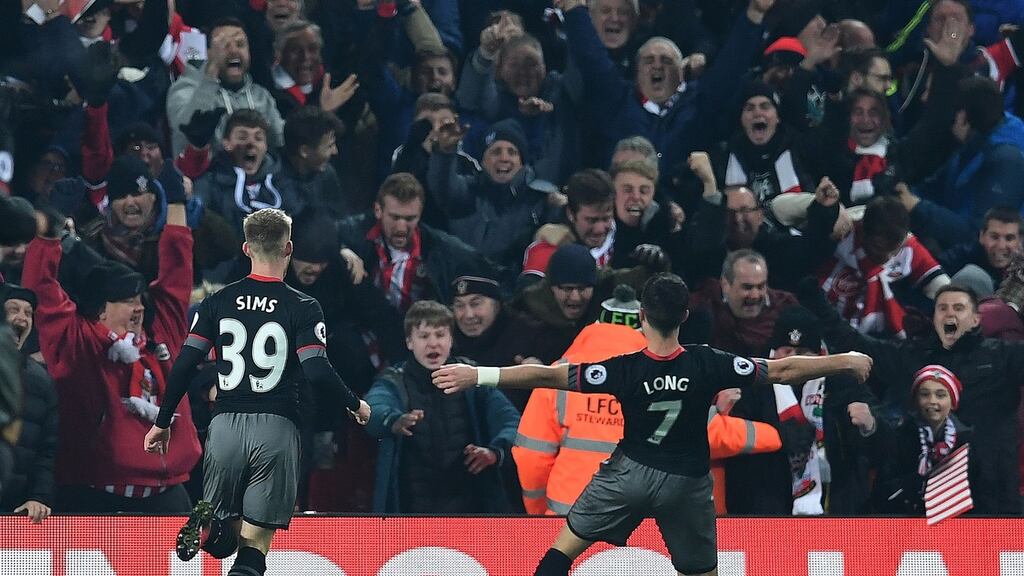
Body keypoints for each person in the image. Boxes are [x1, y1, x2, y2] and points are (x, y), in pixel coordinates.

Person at [434, 273, 872, 576]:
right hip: (687, 485)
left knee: (562, 550)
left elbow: (547, 376)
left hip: (628, 475)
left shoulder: (621, 369)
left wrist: (478, 375)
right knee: (702, 573)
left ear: (642, 316)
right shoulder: (709, 363)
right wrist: (845, 360)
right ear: (684, 317)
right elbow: (782, 370)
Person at [144, 208, 371, 576]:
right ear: (289, 248)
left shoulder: (217, 302)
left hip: (224, 427)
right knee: (255, 545)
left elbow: (184, 365)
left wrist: (162, 421)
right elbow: (316, 368)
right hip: (275, 427)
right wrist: (354, 403)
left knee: (226, 537)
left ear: (247, 248)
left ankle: (206, 529)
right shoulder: (303, 306)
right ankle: (214, 534)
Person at [24, 184, 200, 514]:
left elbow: (178, 272)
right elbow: (42, 291)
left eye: (139, 300)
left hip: (167, 494)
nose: (138, 308)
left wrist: (176, 201)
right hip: (94, 495)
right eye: (126, 301)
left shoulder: (162, 333)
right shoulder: (79, 341)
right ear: (100, 310)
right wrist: (47, 235)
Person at [797, 280, 1024, 514]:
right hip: (926, 499)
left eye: (959, 308)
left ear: (976, 319)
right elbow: (855, 343)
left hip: (993, 496)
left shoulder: (1003, 357)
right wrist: (811, 294)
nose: (950, 314)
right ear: (934, 317)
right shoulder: (914, 356)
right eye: (942, 308)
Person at [364, 300, 521, 513]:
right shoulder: (393, 380)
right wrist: (394, 420)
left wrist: (495, 452)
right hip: (410, 513)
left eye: (440, 335)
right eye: (424, 336)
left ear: (451, 339)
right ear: (409, 341)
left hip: (471, 512)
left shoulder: (475, 379)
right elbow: (372, 409)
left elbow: (511, 422)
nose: (433, 344)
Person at [166, 18, 285, 155]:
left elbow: (281, 141)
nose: (234, 51)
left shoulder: (261, 96)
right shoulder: (185, 87)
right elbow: (184, 128)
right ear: (208, 53)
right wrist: (210, 76)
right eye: (224, 45)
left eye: (240, 44)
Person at [871, 364, 973, 514]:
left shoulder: (968, 442)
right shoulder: (899, 436)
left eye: (940, 395)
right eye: (925, 394)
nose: (932, 401)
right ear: (915, 400)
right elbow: (882, 492)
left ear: (953, 402)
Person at [0, 285, 57, 524]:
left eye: (28, 312)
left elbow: (47, 449)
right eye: (13, 310)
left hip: (13, 509)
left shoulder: (41, 380)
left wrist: (38, 497)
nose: (21, 318)